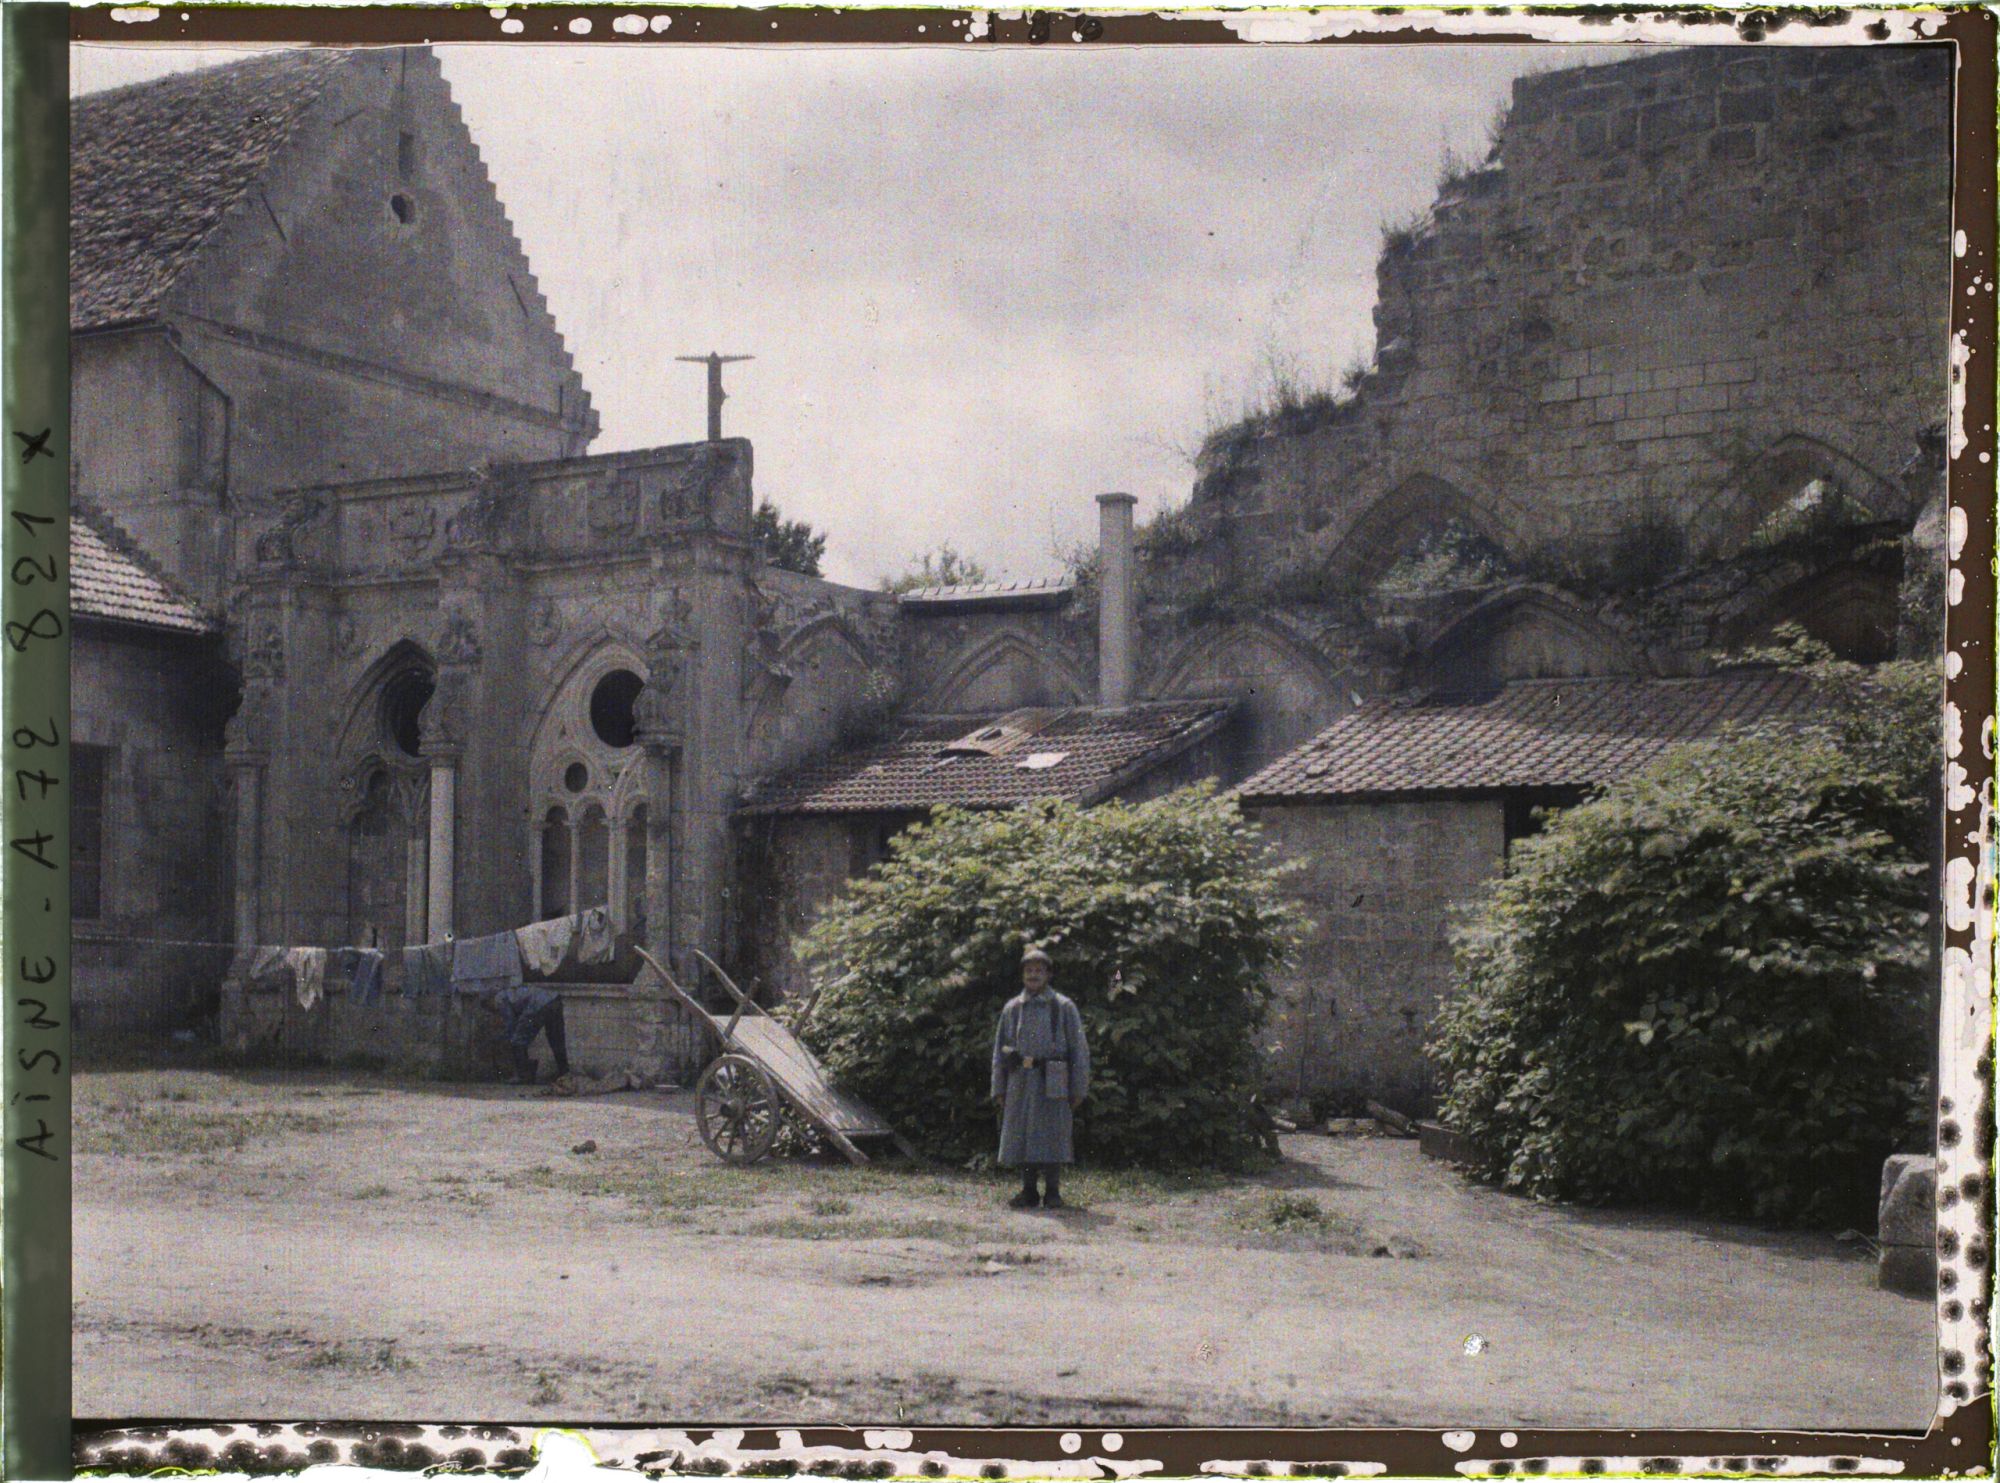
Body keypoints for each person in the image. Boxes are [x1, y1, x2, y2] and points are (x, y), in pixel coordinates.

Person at [990, 944, 1090, 1209]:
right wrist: (999, 1087)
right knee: (1023, 1133)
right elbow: (1000, 1050)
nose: (1033, 975)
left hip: (1053, 1078)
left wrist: (1078, 1087)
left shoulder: (1063, 1007)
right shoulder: (1013, 1008)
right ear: (1022, 975)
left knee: (1053, 1132)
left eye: (1039, 970)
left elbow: (1079, 1050)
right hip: (1020, 1079)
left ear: (1048, 975)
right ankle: (1029, 1190)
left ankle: (1053, 1191)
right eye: (1029, 971)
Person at [489, 980, 575, 1093]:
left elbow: (511, 1023)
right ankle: (564, 1073)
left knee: (517, 1040)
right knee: (556, 1040)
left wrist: (506, 1039)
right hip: (554, 1000)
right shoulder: (512, 992)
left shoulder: (499, 999)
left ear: (489, 1001)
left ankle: (523, 1076)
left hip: (537, 1004)